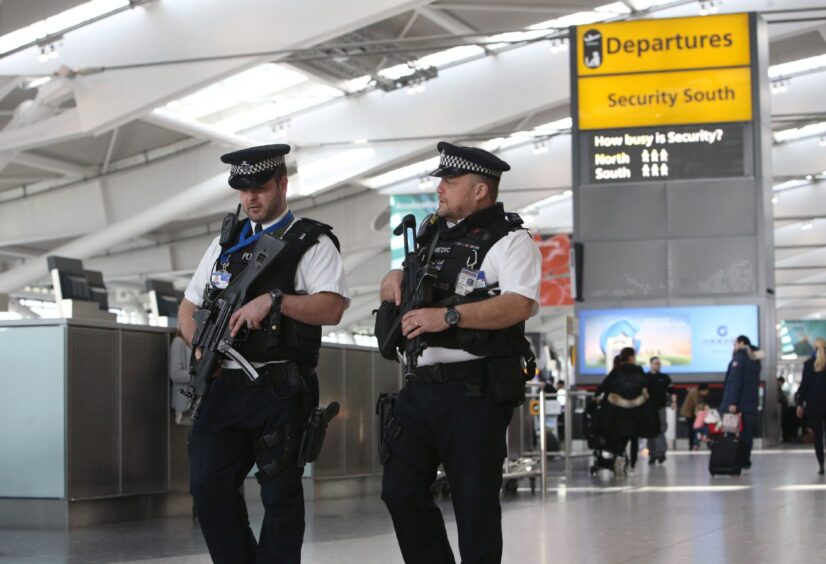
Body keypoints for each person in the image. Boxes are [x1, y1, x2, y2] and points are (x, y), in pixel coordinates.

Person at [178, 144, 349, 564]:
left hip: (280, 390)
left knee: (280, 496)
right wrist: (198, 344)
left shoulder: (312, 241)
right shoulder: (224, 244)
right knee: (208, 487)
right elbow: (187, 307)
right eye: (242, 189)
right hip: (223, 385)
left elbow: (332, 307)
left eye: (260, 187)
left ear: (282, 184)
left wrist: (275, 301)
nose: (251, 197)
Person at [378, 142, 541, 564]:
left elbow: (519, 304)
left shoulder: (511, 240)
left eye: (451, 181)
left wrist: (447, 317)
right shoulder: (433, 236)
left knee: (475, 505)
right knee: (399, 489)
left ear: (480, 190)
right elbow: (416, 284)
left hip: (475, 390)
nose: (440, 189)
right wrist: (394, 276)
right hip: (420, 388)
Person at [596, 347, 652, 476]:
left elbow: (605, 385)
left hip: (619, 410)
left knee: (621, 437)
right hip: (635, 409)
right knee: (634, 438)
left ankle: (619, 459)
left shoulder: (616, 371)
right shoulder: (638, 370)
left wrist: (597, 395)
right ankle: (632, 466)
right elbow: (645, 385)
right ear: (631, 357)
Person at [720, 335, 764, 471]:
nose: (734, 347)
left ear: (741, 343)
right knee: (747, 434)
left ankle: (733, 460)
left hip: (737, 404)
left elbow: (734, 382)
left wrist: (732, 402)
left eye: (735, 344)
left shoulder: (739, 359)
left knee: (731, 433)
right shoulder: (755, 360)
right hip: (750, 404)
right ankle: (745, 460)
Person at [795, 338, 826, 475]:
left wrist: (800, 404)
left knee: (818, 437)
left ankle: (821, 465)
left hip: (814, 406)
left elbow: (804, 386)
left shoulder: (808, 364)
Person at [646, 357, 675, 464]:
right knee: (650, 431)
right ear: (651, 364)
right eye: (656, 363)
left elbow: (672, 391)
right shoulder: (646, 377)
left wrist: (673, 402)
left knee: (661, 430)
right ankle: (652, 453)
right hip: (648, 409)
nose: (658, 365)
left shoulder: (664, 377)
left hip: (661, 407)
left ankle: (661, 452)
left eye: (659, 363)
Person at [169, 326, 193, 425]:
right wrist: (198, 376)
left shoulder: (193, 343)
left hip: (194, 400)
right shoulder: (178, 342)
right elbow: (175, 374)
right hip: (185, 402)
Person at [680, 383, 710, 450]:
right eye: (706, 392)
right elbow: (697, 404)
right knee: (692, 430)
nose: (706, 393)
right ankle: (692, 445)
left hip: (693, 413)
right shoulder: (694, 393)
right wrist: (705, 408)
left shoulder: (697, 392)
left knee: (694, 430)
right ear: (702, 390)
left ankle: (694, 445)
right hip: (689, 414)